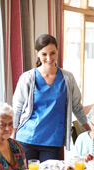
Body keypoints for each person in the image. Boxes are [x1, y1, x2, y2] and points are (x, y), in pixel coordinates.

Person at [12, 34, 89, 162]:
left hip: (52, 140)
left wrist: (88, 128)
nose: (49, 58)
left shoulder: (67, 78)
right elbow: (17, 108)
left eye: (52, 53)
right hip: (27, 138)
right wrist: (13, 134)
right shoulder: (27, 78)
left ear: (58, 50)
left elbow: (76, 106)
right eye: (44, 54)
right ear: (37, 53)